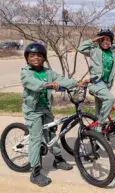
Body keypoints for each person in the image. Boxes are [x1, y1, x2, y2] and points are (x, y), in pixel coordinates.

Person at [21, 42, 87, 187]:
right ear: (27, 58)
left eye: (39, 55)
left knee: (52, 134)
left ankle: (58, 159)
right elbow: (30, 82)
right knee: (36, 138)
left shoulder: (48, 72)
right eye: (32, 55)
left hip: (45, 109)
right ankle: (35, 172)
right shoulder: (25, 72)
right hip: (33, 111)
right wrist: (46, 85)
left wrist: (77, 83)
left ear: (44, 58)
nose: (36, 58)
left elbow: (61, 79)